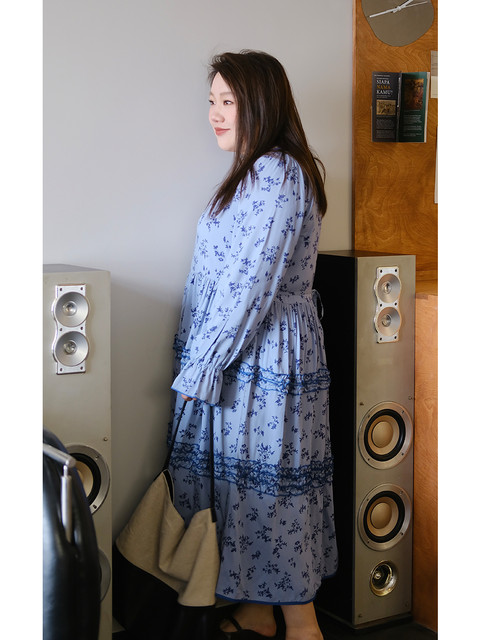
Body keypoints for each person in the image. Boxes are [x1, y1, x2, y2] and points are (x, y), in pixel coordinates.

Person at [169, 50, 337, 640]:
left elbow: (249, 284)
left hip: (261, 351)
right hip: (244, 352)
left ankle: (303, 624)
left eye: (228, 101)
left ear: (260, 103)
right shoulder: (255, 172)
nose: (214, 113)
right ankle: (260, 610)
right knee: (244, 484)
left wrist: (201, 366)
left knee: (272, 483)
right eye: (211, 101)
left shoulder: (277, 173)